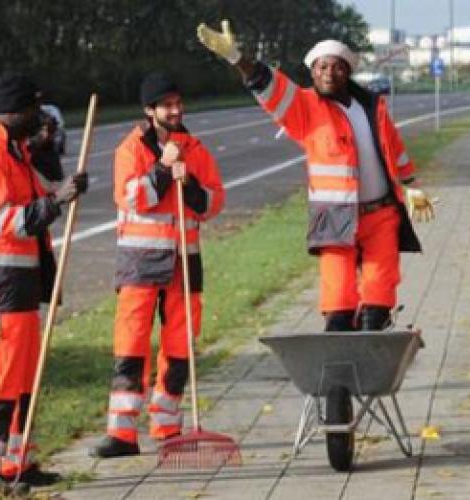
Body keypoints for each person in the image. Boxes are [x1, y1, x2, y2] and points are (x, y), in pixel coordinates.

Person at [197, 20, 435, 331]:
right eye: (322, 67)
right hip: (335, 218)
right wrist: (235, 58)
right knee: (338, 305)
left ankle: (374, 358)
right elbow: (268, 86)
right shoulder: (305, 107)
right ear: (312, 72)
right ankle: (338, 370)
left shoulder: (373, 107)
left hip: (381, 216)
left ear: (347, 71)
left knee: (378, 300)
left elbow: (395, 150)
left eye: (336, 67)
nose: (328, 73)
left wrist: (411, 185)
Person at [0, 71, 88, 496]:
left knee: (23, 374)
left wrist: (59, 181)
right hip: (1, 283)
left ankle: (18, 460)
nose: (41, 116)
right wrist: (57, 201)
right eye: (34, 109)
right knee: (0, 376)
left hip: (23, 280)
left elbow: (40, 194)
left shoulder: (16, 151)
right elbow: (6, 222)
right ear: (14, 112)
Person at [89, 73, 225, 458]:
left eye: (179, 102)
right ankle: (122, 434)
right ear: (150, 111)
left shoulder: (195, 148)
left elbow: (214, 203)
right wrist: (163, 170)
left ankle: (167, 424)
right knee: (131, 346)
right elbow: (131, 198)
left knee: (180, 346)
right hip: (140, 261)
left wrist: (193, 187)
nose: (176, 109)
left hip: (185, 261)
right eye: (167, 104)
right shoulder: (130, 150)